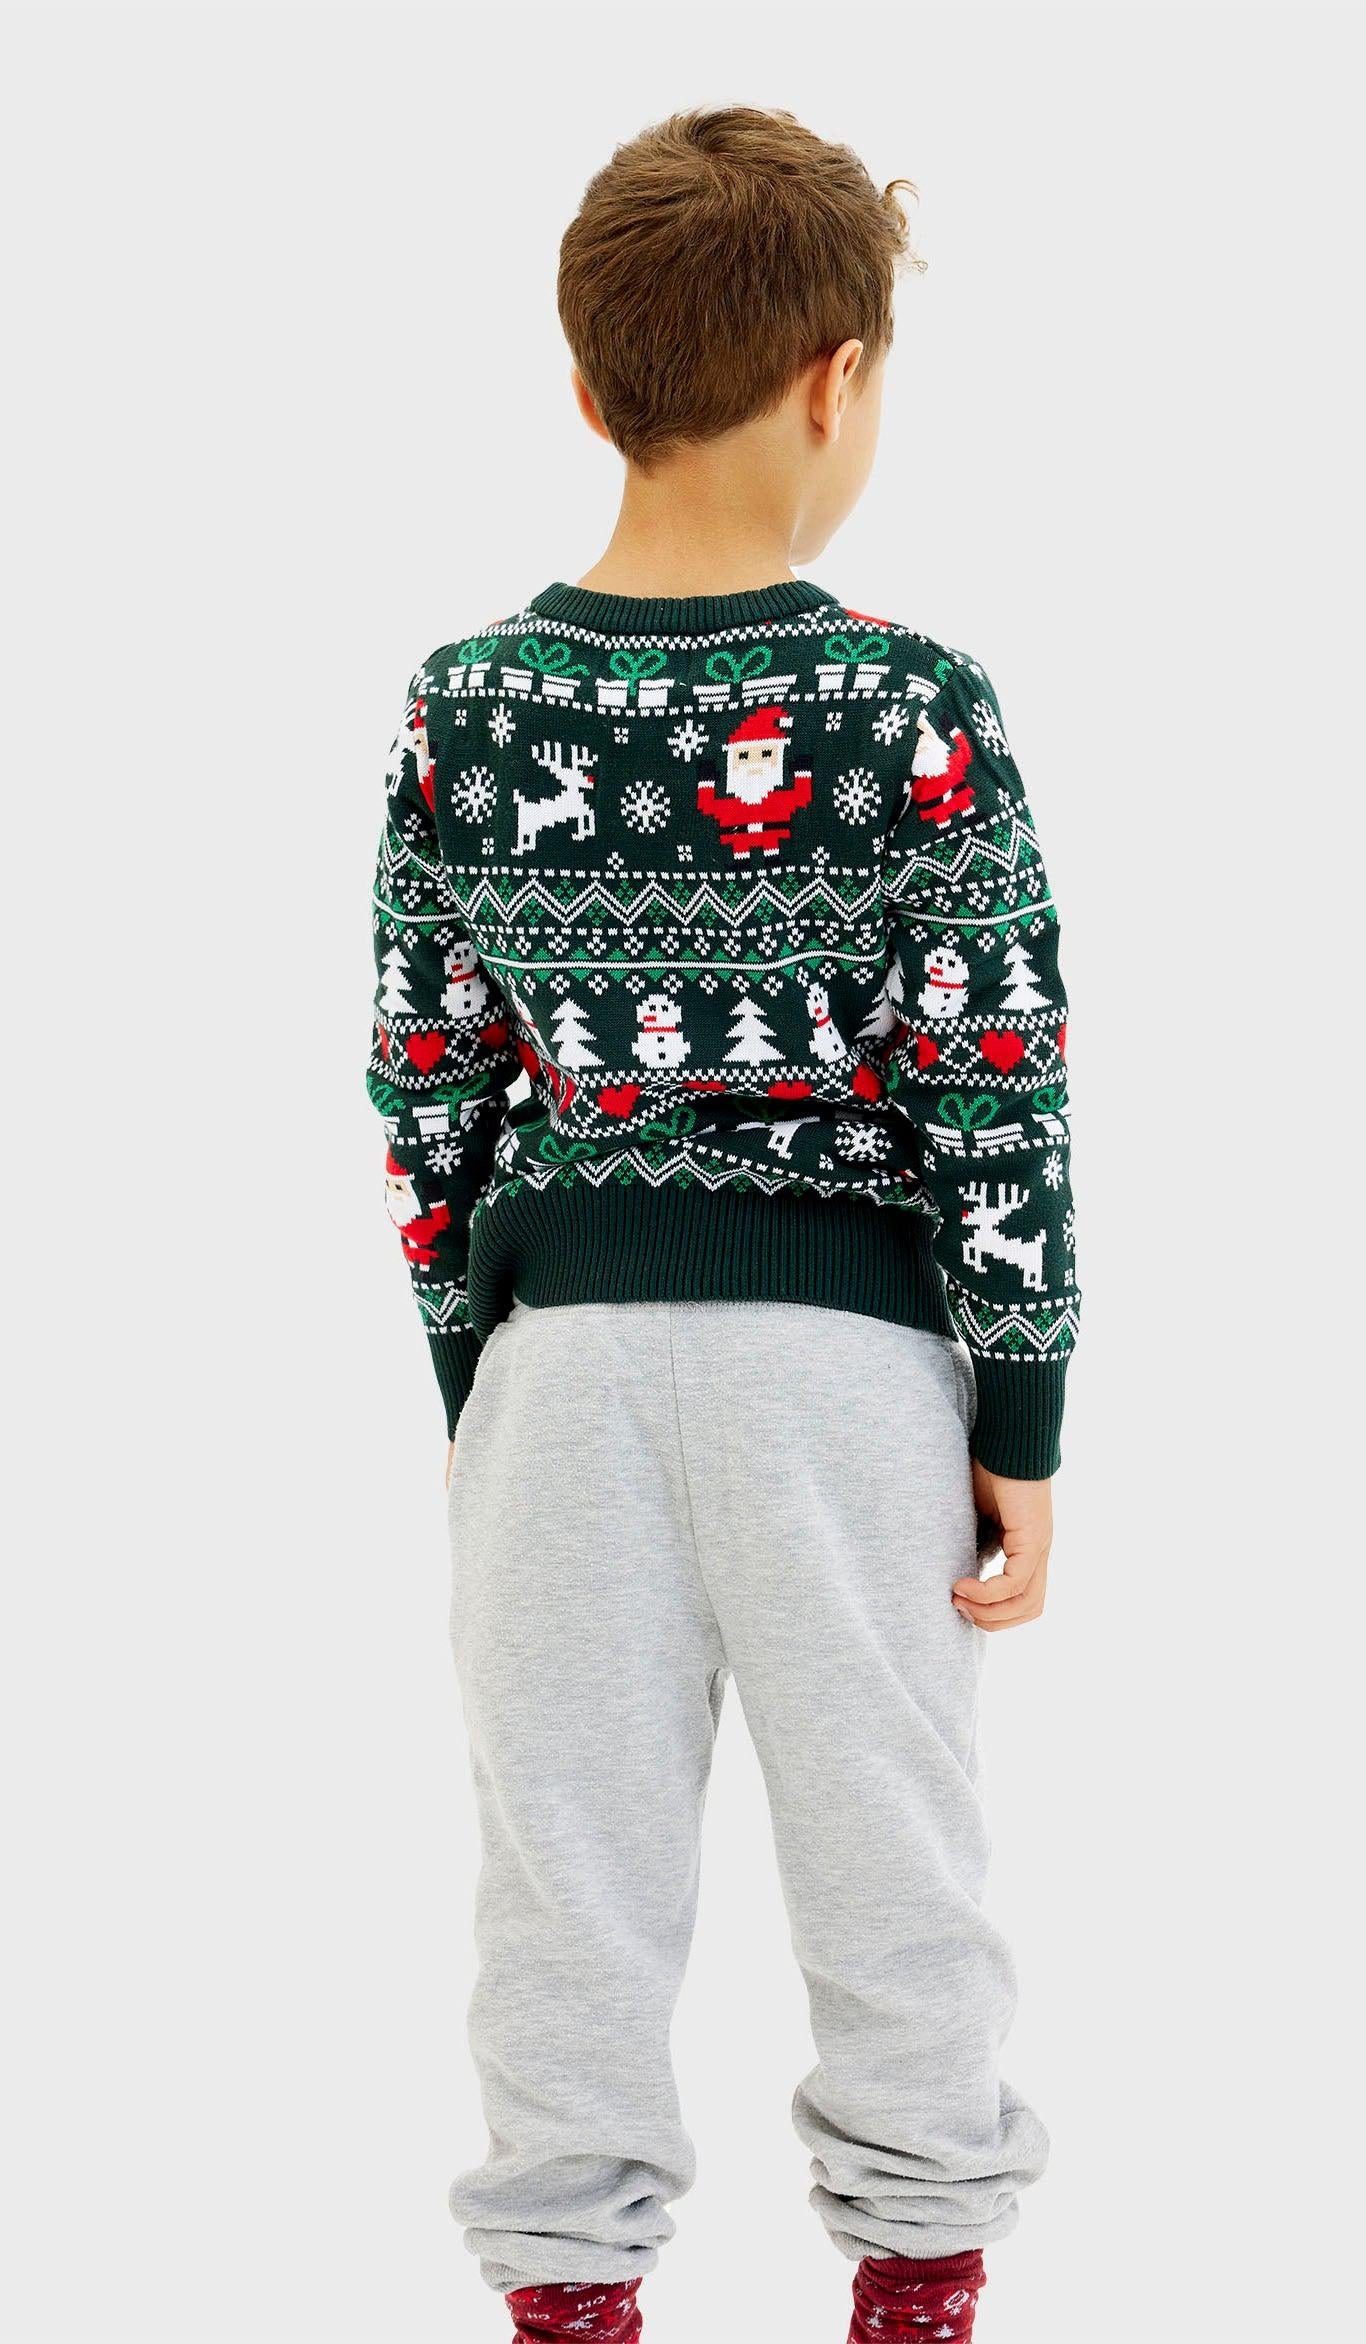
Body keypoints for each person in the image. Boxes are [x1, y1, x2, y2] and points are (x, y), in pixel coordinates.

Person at [368, 107, 1077, 2344]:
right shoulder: (910, 705)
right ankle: (919, 2283)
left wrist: (472, 1373)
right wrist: (1021, 1412)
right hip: (846, 1379)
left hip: (559, 1373)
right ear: (836, 378)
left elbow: (426, 1082)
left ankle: (568, 2302)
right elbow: (997, 1082)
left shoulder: (469, 706)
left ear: (590, 391)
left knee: (563, 1879)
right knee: (891, 1856)